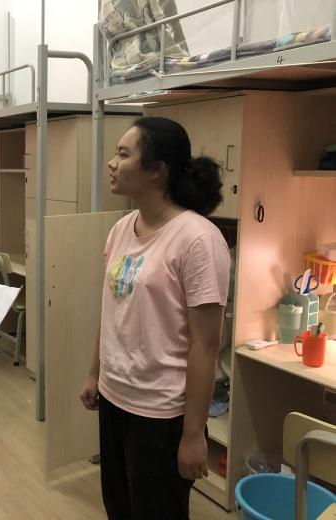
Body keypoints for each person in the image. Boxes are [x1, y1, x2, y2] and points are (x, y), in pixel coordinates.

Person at [79, 117, 231, 520]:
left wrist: (194, 435)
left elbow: (206, 345)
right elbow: (112, 310)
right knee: (119, 508)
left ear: (156, 170)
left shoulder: (198, 239)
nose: (112, 163)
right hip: (115, 398)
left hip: (161, 413)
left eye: (123, 154)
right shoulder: (120, 229)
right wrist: (95, 373)